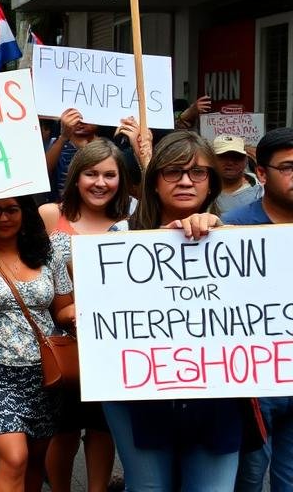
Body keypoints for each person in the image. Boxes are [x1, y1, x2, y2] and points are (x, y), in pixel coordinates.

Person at [102, 131, 241, 491]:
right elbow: (96, 302)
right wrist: (156, 251)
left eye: (198, 172)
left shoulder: (239, 240)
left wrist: (220, 233)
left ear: (211, 183)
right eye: (173, 171)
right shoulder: (120, 235)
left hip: (216, 396)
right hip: (137, 394)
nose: (184, 180)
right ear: (155, 180)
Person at [0, 194, 73, 492]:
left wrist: (84, 315)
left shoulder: (48, 255)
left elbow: (62, 308)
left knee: (35, 460)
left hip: (46, 374)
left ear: (25, 214)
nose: (3, 217)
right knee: (15, 458)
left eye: (11, 210)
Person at [38, 139, 129, 492]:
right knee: (62, 431)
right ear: (76, 177)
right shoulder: (50, 215)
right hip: (61, 341)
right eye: (91, 173)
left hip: (112, 342)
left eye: (110, 174)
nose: (100, 182)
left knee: (102, 428)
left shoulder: (132, 220)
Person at [225, 128, 293, 492]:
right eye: (289, 167)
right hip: (254, 381)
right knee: (248, 476)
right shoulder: (232, 228)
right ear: (262, 174)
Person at [45, 108, 99, 201]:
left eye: (86, 116)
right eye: (73, 116)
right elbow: (44, 172)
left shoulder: (107, 147)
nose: (80, 121)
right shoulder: (55, 145)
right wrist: (63, 137)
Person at [213, 134, 263, 214]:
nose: (230, 162)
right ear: (211, 160)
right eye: (223, 157)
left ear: (245, 160)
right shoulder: (203, 191)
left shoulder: (261, 190)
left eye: (236, 157)